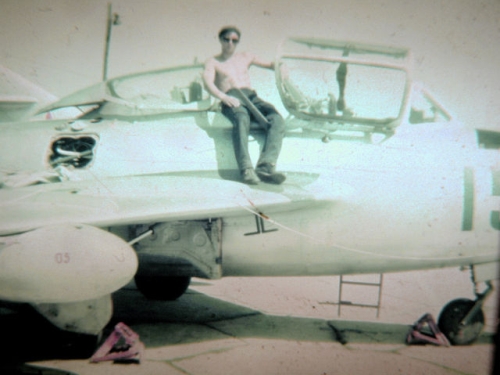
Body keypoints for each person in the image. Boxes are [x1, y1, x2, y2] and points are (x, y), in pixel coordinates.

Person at [203, 26, 286, 185]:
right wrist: (223, 96)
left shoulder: (246, 56)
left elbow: (272, 65)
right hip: (232, 97)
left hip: (251, 96)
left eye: (234, 40)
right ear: (220, 40)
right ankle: (246, 169)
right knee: (242, 119)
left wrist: (282, 66)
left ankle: (265, 166)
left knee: (277, 119)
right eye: (226, 39)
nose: (230, 43)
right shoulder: (213, 62)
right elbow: (208, 83)